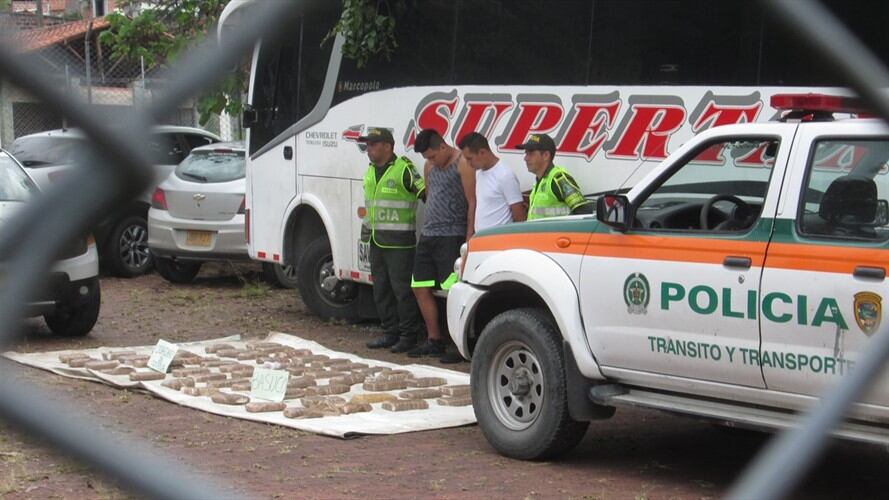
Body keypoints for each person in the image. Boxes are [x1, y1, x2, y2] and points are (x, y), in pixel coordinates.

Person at [406, 129, 475, 359]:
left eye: (433, 156)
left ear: (444, 147)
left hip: (452, 234)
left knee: (452, 290)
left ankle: (459, 344)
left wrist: (469, 236)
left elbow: (472, 202)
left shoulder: (463, 164)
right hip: (429, 234)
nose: (431, 161)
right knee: (419, 285)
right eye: (427, 158)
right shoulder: (429, 167)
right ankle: (434, 339)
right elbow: (429, 193)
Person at [359, 127, 426, 353]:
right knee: (381, 290)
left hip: (400, 244)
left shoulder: (404, 169)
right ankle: (390, 332)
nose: (368, 149)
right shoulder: (370, 171)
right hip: (377, 242)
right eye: (367, 145)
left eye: (372, 144)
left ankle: (409, 335)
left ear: (387, 146)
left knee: (402, 291)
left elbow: (425, 194)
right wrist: (366, 232)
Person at [458, 132, 526, 231]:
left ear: (482, 152)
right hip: (481, 239)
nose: (468, 164)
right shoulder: (479, 173)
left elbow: (519, 214)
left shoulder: (505, 175)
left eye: (470, 159)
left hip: (500, 240)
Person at [517, 133, 593, 219]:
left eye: (530, 153)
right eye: (526, 153)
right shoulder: (540, 182)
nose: (525, 158)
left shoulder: (558, 179)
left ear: (546, 155)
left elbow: (584, 213)